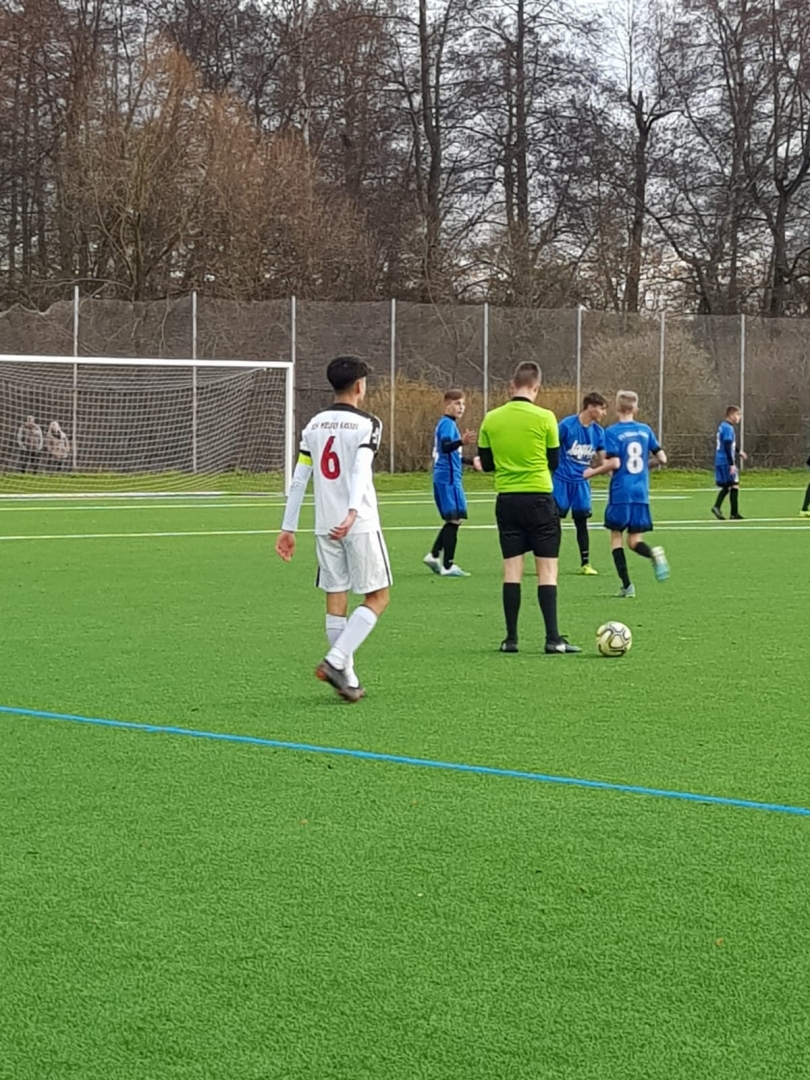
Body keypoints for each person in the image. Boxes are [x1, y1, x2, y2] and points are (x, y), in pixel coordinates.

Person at [275, 356, 390, 703]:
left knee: (336, 596)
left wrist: (288, 527)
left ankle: (348, 679)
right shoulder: (368, 424)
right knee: (378, 597)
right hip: (358, 523)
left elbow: (299, 479)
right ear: (360, 386)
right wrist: (353, 511)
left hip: (324, 524)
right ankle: (337, 661)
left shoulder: (313, 425)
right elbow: (361, 470)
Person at [477, 360, 580, 655]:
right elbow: (554, 462)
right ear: (537, 387)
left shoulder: (491, 419)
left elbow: (487, 463)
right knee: (547, 570)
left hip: (507, 500)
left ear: (512, 385)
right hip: (539, 499)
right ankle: (552, 639)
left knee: (512, 570)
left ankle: (511, 639)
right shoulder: (546, 417)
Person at [583, 390, 669, 598]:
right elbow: (663, 459)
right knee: (634, 540)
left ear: (617, 408)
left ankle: (627, 586)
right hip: (641, 492)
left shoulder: (611, 432)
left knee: (616, 539)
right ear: (635, 408)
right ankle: (653, 553)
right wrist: (645, 467)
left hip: (621, 491)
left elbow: (614, 463)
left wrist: (592, 472)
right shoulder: (645, 430)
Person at [423, 389, 478, 577]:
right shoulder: (447, 424)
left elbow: (452, 453)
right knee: (455, 519)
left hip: (447, 477)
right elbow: (447, 447)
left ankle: (434, 555)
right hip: (448, 478)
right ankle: (447, 565)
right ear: (447, 405)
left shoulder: (448, 424)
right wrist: (461, 441)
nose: (461, 407)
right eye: (457, 403)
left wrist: (471, 461)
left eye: (463, 404)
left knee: (454, 519)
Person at [552, 392, 608, 575]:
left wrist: (615, 467)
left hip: (581, 484)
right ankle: (549, 561)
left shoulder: (598, 432)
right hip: (561, 480)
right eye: (602, 408)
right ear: (590, 407)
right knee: (553, 522)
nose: (604, 413)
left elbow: (604, 460)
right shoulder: (567, 425)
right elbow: (550, 448)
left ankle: (585, 563)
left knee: (582, 522)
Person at [711, 406, 747, 520]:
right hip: (725, 460)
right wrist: (731, 464)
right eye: (738, 414)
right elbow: (727, 445)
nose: (739, 417)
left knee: (732, 484)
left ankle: (733, 513)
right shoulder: (728, 428)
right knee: (731, 484)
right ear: (731, 415)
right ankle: (718, 507)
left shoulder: (723, 426)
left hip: (721, 459)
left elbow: (730, 444)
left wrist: (738, 451)